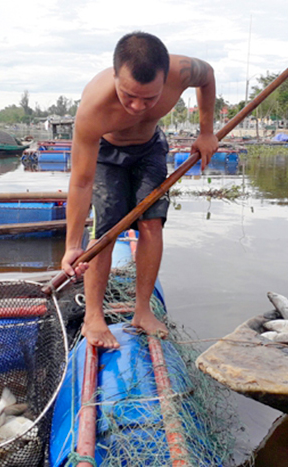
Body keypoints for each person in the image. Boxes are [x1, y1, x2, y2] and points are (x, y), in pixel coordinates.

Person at [61, 32, 218, 349]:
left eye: (149, 99)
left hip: (149, 149)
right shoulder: (93, 108)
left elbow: (209, 76)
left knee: (152, 224)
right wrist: (71, 245)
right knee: (106, 232)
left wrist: (206, 132)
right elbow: (80, 181)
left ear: (166, 79)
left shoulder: (183, 70)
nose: (136, 106)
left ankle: (142, 311)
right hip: (108, 155)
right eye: (128, 95)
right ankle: (93, 316)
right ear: (115, 75)